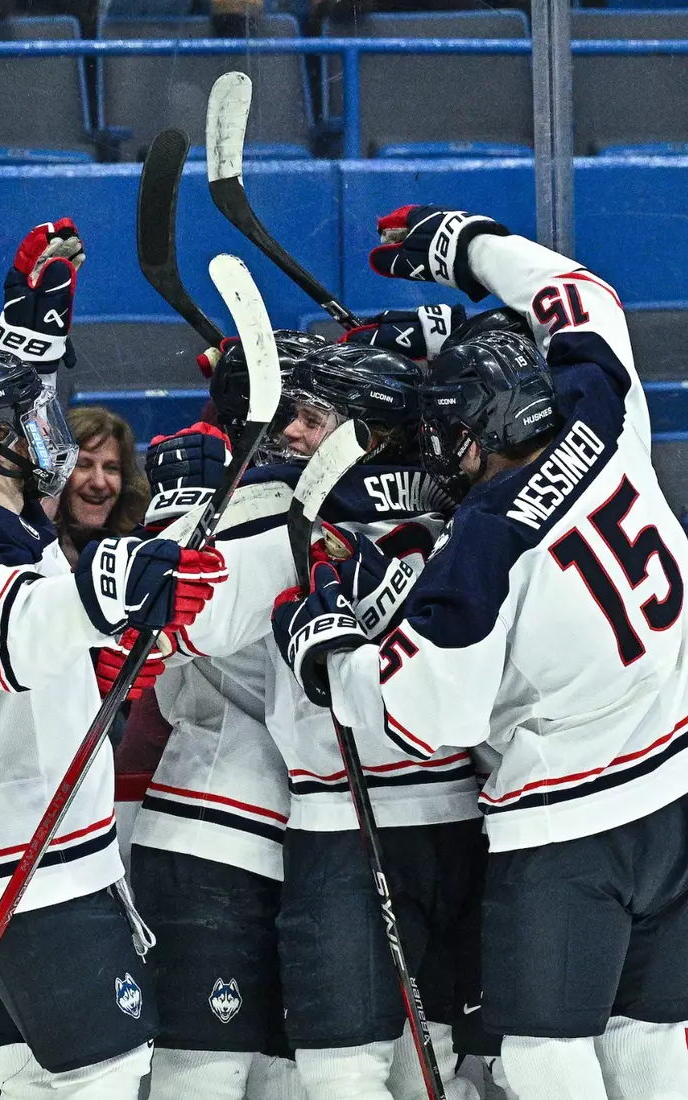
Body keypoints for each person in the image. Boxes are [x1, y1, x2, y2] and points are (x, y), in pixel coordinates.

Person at [280, 206, 688, 1100]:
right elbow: (580, 294)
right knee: (649, 1040)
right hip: (683, 791)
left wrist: (332, 658)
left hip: (571, 826)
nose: (444, 453)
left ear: (481, 430)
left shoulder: (481, 547)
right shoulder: (604, 414)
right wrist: (469, 244)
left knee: (538, 1053)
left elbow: (426, 717)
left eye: (453, 435)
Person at [0, 214, 228, 1100]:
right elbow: (16, 634)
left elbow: (28, 605)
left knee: (32, 1076)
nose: (47, 434)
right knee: (107, 1076)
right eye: (26, 420)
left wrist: (27, 340)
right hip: (23, 853)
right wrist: (119, 580)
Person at [177, 340, 482, 1100]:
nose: (291, 436)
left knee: (384, 1071)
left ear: (369, 432)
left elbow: (195, 616)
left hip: (379, 826)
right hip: (410, 822)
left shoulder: (310, 513)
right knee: (390, 1068)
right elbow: (202, 617)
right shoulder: (458, 509)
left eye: (309, 420)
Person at [118, 333, 317, 1100]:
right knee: (198, 1082)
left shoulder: (303, 508)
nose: (313, 429)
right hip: (214, 841)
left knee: (289, 1082)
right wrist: (179, 524)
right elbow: (161, 635)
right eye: (299, 410)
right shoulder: (228, 515)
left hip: (299, 849)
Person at [52, 405, 150, 566]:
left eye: (111, 468)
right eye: (84, 464)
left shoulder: (138, 551)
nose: (99, 483)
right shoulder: (31, 552)